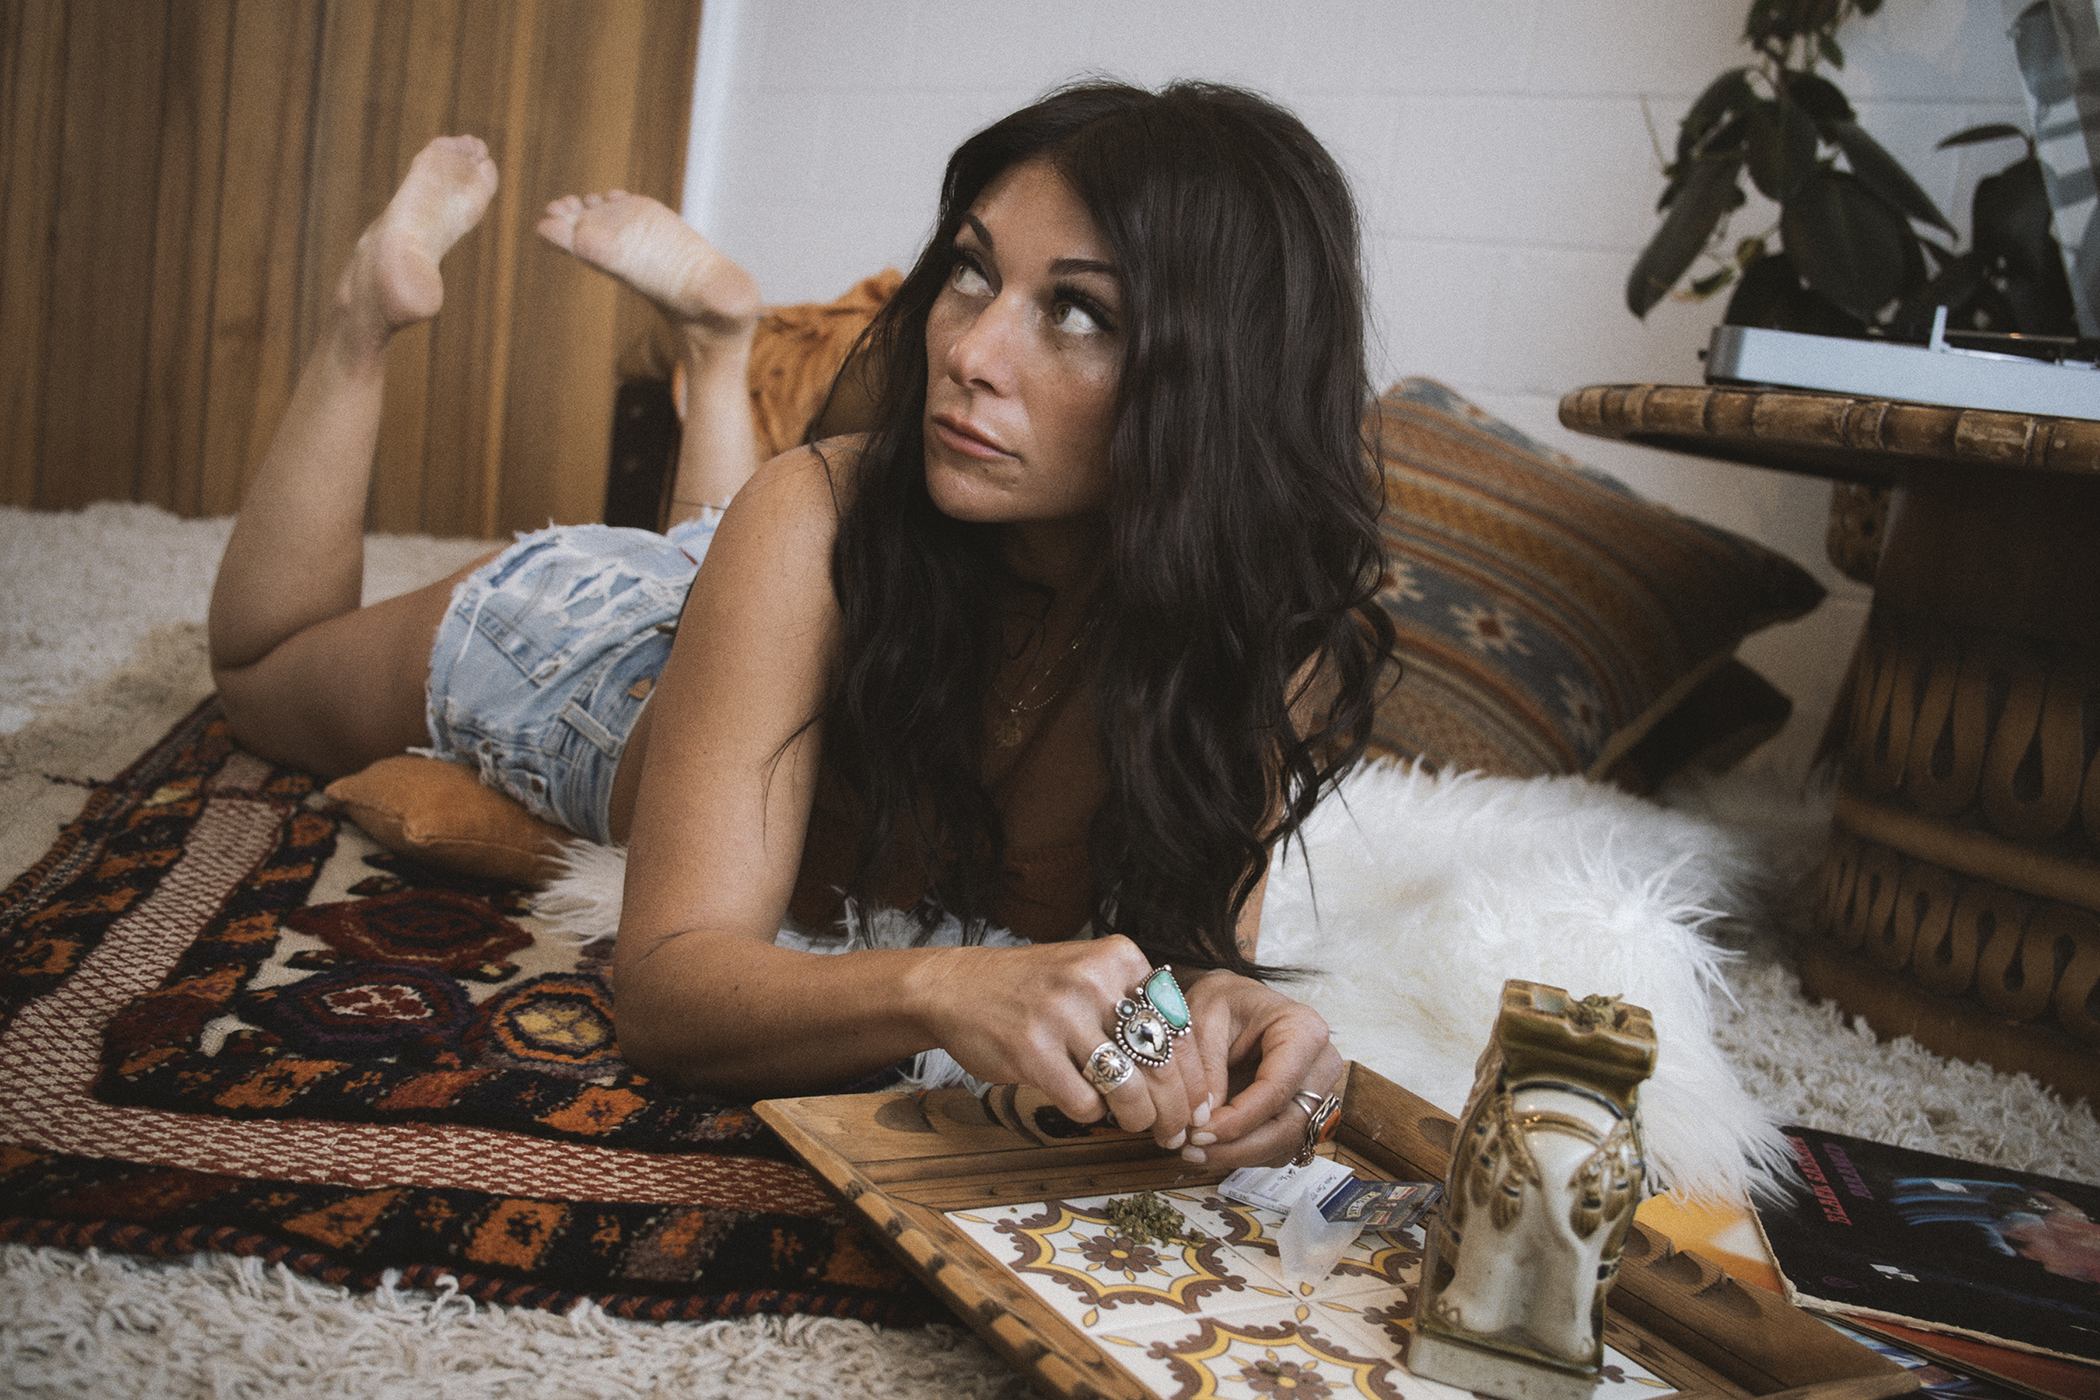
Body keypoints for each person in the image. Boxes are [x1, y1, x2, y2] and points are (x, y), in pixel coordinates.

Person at [207, 81, 1395, 1171]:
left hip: (762, 597)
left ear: (1223, 381)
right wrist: (946, 984)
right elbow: (669, 990)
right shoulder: (816, 515)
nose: (968, 351)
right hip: (605, 664)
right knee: (262, 679)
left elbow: (1173, 961)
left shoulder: (1257, 631)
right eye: (974, 272)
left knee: (740, 537)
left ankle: (720, 348)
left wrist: (1236, 1009)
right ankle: (368, 309)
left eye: (1078, 312)